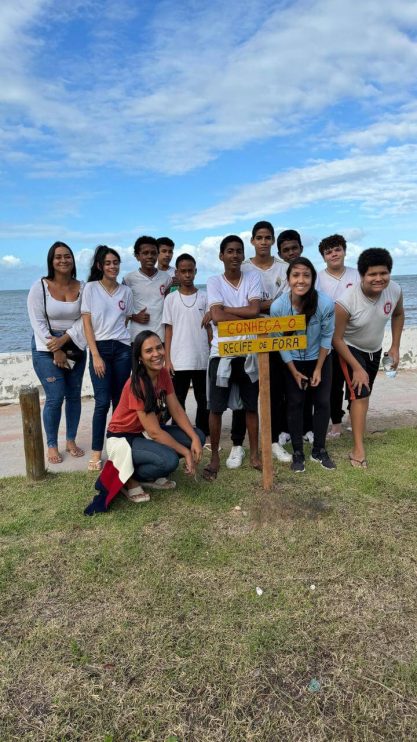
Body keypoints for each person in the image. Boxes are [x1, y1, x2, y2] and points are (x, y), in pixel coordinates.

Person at [84, 331, 205, 513]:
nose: (156, 354)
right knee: (169, 461)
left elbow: (177, 409)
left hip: (144, 433)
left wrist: (194, 438)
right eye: (149, 351)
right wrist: (186, 453)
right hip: (123, 438)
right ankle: (129, 478)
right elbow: (155, 432)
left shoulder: (162, 373)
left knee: (199, 437)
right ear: (140, 357)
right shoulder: (137, 383)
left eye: (159, 347)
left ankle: (147, 475)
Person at [333, 248, 404, 469]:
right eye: (372, 274)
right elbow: (336, 339)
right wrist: (356, 367)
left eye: (383, 273)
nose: (378, 279)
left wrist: (395, 346)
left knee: (363, 394)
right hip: (349, 348)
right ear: (362, 275)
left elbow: (399, 314)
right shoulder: (346, 302)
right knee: (360, 393)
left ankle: (354, 424)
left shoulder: (394, 290)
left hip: (374, 349)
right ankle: (357, 448)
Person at [228, 221, 290, 468]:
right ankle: (237, 445)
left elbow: (283, 304)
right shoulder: (242, 267)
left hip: (275, 335)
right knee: (243, 394)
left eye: (268, 237)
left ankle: (273, 441)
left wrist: (255, 308)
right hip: (245, 337)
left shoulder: (285, 268)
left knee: (273, 390)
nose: (263, 241)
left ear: (273, 241)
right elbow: (238, 301)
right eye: (259, 237)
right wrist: (255, 308)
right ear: (252, 241)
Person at [270, 257, 336, 473]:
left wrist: (318, 368)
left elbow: (327, 337)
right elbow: (280, 341)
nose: (301, 280)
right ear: (288, 279)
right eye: (296, 275)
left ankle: (319, 449)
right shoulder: (278, 306)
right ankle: (298, 451)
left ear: (313, 278)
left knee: (323, 402)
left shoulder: (325, 303)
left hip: (320, 358)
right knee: (295, 403)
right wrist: (294, 371)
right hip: (293, 361)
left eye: (306, 275)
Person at [205, 235, 262, 481]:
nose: (235, 255)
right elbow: (216, 318)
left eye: (239, 251)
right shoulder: (214, 281)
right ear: (221, 256)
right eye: (230, 251)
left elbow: (255, 310)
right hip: (222, 353)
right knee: (216, 408)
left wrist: (224, 310)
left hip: (249, 351)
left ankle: (255, 454)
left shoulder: (252, 277)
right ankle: (215, 456)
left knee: (251, 406)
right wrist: (244, 318)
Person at [27, 241, 87, 464]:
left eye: (67, 256)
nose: (63, 260)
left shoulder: (83, 287)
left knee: (74, 396)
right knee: (55, 396)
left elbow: (85, 318)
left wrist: (65, 340)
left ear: (73, 260)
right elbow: (37, 322)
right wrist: (56, 348)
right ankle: (52, 444)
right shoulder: (39, 287)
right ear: (51, 261)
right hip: (46, 348)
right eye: (58, 257)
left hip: (75, 345)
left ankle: (70, 440)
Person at [82, 246, 134, 471]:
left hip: (123, 349)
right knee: (102, 402)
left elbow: (126, 320)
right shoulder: (91, 288)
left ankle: (118, 450)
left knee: (120, 401)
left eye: (116, 262)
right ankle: (96, 452)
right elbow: (87, 323)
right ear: (100, 266)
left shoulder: (126, 292)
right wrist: (95, 355)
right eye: (108, 263)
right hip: (100, 350)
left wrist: (119, 341)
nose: (113, 266)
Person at [316, 234, 360, 438]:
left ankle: (356, 417)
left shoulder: (357, 275)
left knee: (357, 379)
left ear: (344, 250)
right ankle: (336, 423)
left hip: (355, 337)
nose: (334, 254)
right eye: (328, 252)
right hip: (329, 340)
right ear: (324, 257)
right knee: (333, 385)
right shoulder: (317, 278)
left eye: (337, 249)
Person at [163, 253, 210, 440]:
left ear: (196, 272)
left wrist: (212, 351)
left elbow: (209, 330)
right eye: (183, 271)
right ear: (177, 273)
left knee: (203, 398)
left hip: (201, 357)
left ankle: (203, 432)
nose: (187, 275)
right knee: (177, 399)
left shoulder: (205, 297)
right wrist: (167, 359)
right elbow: (168, 330)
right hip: (179, 359)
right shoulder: (171, 299)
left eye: (191, 271)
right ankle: (179, 431)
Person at [123, 236, 171, 342]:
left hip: (160, 336)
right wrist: (134, 317)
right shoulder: (128, 279)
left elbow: (169, 307)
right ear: (137, 256)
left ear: (157, 255)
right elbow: (120, 307)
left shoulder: (166, 278)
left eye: (153, 253)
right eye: (145, 253)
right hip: (137, 336)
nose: (150, 256)